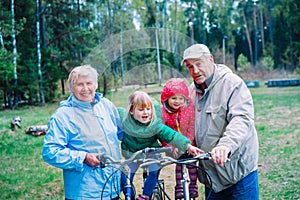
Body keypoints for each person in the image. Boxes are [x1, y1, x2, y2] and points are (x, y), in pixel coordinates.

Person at [181, 44, 259, 199]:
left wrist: (225, 145)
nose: (194, 71)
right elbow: (186, 126)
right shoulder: (190, 92)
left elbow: (241, 119)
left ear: (210, 59)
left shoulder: (232, 84)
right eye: (190, 66)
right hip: (211, 177)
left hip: (238, 173)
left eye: (198, 64)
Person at [42, 65, 124, 199]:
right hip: (85, 193)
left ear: (96, 85)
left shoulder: (106, 105)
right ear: (71, 87)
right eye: (80, 84)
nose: (85, 89)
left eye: (89, 83)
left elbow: (122, 133)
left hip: (113, 188)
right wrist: (83, 157)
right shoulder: (63, 116)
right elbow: (50, 152)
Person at [118, 90, 202, 200]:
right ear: (131, 111)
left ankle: (146, 196)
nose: (146, 113)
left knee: (154, 170)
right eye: (141, 109)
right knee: (125, 177)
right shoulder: (125, 123)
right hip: (133, 154)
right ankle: (130, 196)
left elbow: (171, 135)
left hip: (152, 153)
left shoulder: (154, 124)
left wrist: (188, 146)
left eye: (148, 109)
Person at [160, 78, 198, 199]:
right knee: (179, 165)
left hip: (189, 143)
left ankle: (193, 185)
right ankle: (179, 187)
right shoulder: (164, 113)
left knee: (192, 164)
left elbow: (191, 126)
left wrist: (189, 142)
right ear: (167, 98)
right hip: (174, 146)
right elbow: (162, 132)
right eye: (174, 98)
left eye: (181, 98)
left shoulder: (187, 110)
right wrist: (170, 146)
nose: (177, 102)